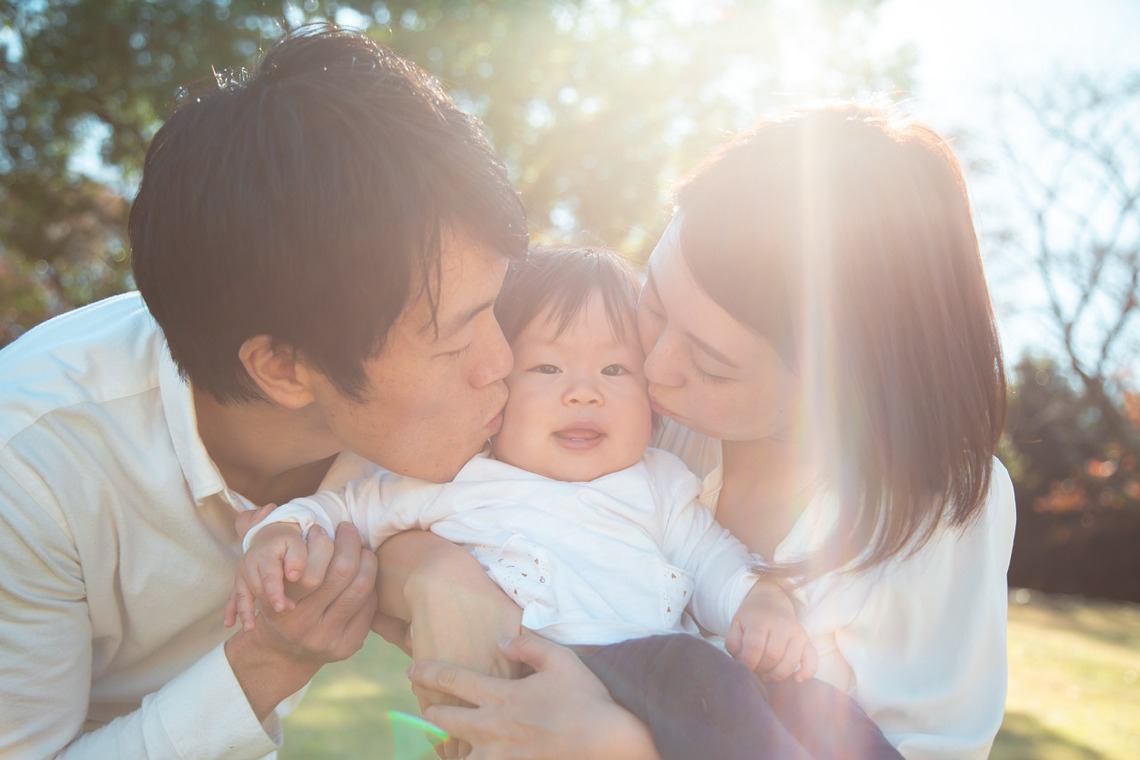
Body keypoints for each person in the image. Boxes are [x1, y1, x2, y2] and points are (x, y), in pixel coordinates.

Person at [400, 104, 1017, 760]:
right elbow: (405, 499)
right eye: (654, 306)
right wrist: (438, 573)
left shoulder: (939, 510)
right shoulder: (631, 428)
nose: (655, 370)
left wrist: (624, 747)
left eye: (711, 364)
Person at [0, 25, 527, 759]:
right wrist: (265, 664)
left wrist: (433, 571)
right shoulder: (31, 460)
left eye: (496, 310)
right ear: (281, 369)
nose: (503, 363)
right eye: (454, 341)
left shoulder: (456, 402)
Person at [232, 245, 902, 760]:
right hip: (562, 672)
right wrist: (278, 536)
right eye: (547, 369)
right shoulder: (455, 479)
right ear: (495, 385)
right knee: (702, 671)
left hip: (654, 692)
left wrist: (758, 601)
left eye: (616, 370)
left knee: (813, 704)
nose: (584, 392)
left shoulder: (658, 482)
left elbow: (711, 558)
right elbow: (342, 509)